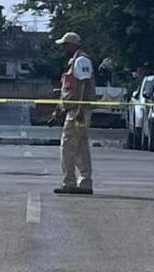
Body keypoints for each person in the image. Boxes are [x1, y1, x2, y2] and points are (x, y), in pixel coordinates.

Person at [53, 31, 95, 195]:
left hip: (79, 112)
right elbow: (70, 89)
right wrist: (60, 108)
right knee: (80, 147)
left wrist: (79, 109)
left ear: (72, 45)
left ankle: (69, 182)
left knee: (68, 146)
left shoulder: (81, 61)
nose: (63, 48)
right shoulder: (74, 62)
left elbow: (84, 84)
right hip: (76, 110)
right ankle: (85, 182)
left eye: (65, 45)